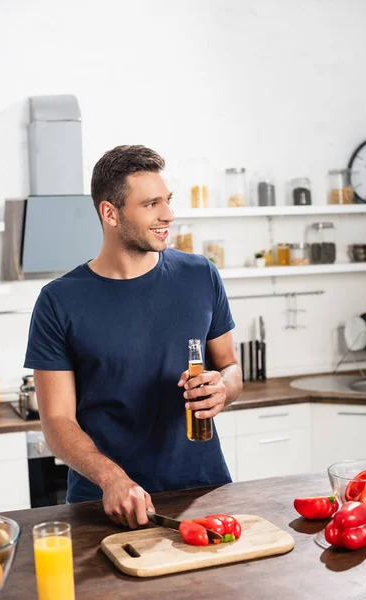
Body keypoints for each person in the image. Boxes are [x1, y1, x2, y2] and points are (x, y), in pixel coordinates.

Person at [24, 145, 242, 529]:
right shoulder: (59, 301)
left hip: (204, 490)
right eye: (151, 204)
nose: (168, 215)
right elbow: (57, 421)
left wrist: (223, 388)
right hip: (106, 504)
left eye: (168, 201)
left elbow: (230, 366)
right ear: (110, 213)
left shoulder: (200, 274)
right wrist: (113, 479)